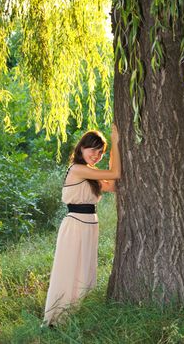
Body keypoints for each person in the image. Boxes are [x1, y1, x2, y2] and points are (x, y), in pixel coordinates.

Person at [42, 124, 121, 326]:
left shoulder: (90, 174)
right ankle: (55, 320)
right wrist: (116, 143)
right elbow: (115, 174)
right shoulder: (78, 169)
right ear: (81, 148)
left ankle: (75, 314)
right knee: (68, 271)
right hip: (76, 226)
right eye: (92, 149)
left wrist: (112, 150)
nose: (96, 155)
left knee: (84, 272)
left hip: (89, 226)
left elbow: (111, 185)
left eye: (100, 152)